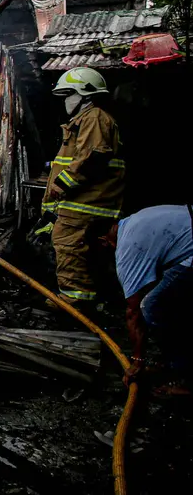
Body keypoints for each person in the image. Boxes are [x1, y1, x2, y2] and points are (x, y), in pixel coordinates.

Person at [32, 67, 125, 305]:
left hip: (88, 202)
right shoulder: (84, 121)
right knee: (85, 250)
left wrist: (60, 186)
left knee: (67, 242)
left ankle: (75, 301)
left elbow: (93, 158)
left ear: (85, 94)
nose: (65, 102)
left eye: (68, 95)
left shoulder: (94, 118)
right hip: (84, 201)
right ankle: (92, 297)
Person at [110, 204, 193, 387]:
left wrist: (137, 360)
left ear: (104, 241)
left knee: (152, 306)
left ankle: (185, 377)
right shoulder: (135, 218)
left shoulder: (126, 248)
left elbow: (133, 311)